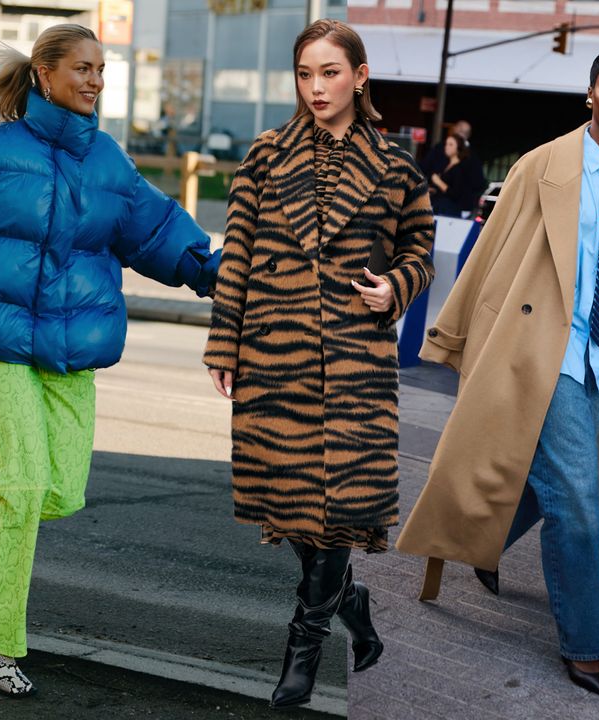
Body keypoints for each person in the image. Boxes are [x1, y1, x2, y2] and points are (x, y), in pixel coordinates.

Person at [0, 23, 220, 698]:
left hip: (72, 350)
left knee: (63, 489)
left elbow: (161, 231)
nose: (94, 80)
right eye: (82, 68)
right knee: (23, 487)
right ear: (44, 75)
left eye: (101, 70)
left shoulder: (108, 161)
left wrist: (217, 271)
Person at [396, 45, 599, 698]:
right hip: (545, 350)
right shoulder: (544, 164)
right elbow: (491, 248)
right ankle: (585, 644)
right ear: (590, 93)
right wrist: (453, 334)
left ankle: (483, 539)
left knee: (555, 476)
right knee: (576, 503)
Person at [204, 19, 435, 708]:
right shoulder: (266, 155)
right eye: (306, 74)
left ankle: (302, 651)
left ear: (359, 76)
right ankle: (351, 606)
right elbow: (236, 253)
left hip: (356, 362)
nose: (317, 87)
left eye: (330, 72)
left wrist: (397, 286)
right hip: (276, 356)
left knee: (335, 511)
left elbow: (419, 248)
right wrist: (224, 341)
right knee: (297, 509)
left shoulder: (396, 165)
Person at [429, 134, 482, 217]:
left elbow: (455, 193)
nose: (446, 147)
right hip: (440, 207)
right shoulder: (446, 165)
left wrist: (438, 182)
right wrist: (434, 190)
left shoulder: (461, 167)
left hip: (450, 211)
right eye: (446, 144)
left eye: (451, 144)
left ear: (458, 148)